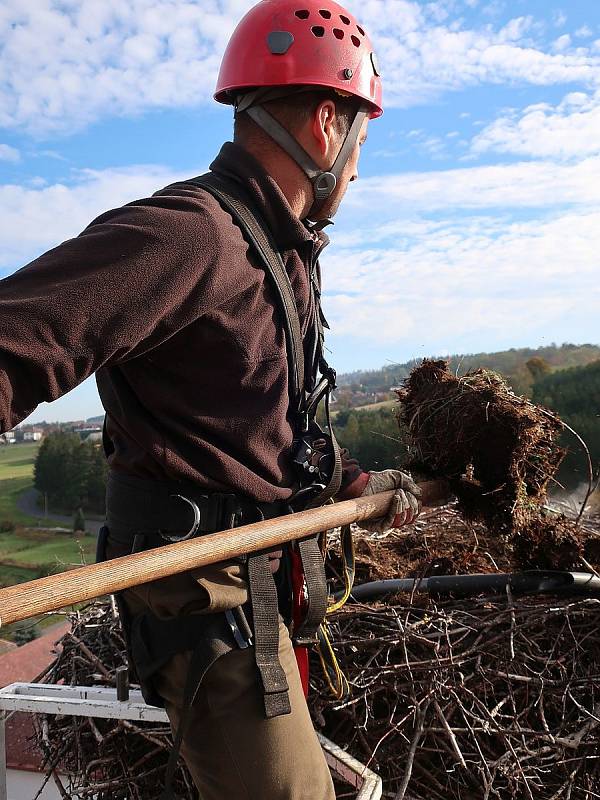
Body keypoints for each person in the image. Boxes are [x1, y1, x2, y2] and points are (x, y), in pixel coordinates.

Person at [0, 1, 421, 797]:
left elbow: (263, 427)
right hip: (202, 595)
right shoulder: (192, 236)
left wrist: (352, 484)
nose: (361, 168)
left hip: (263, 571)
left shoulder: (281, 253)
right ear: (328, 125)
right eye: (363, 139)